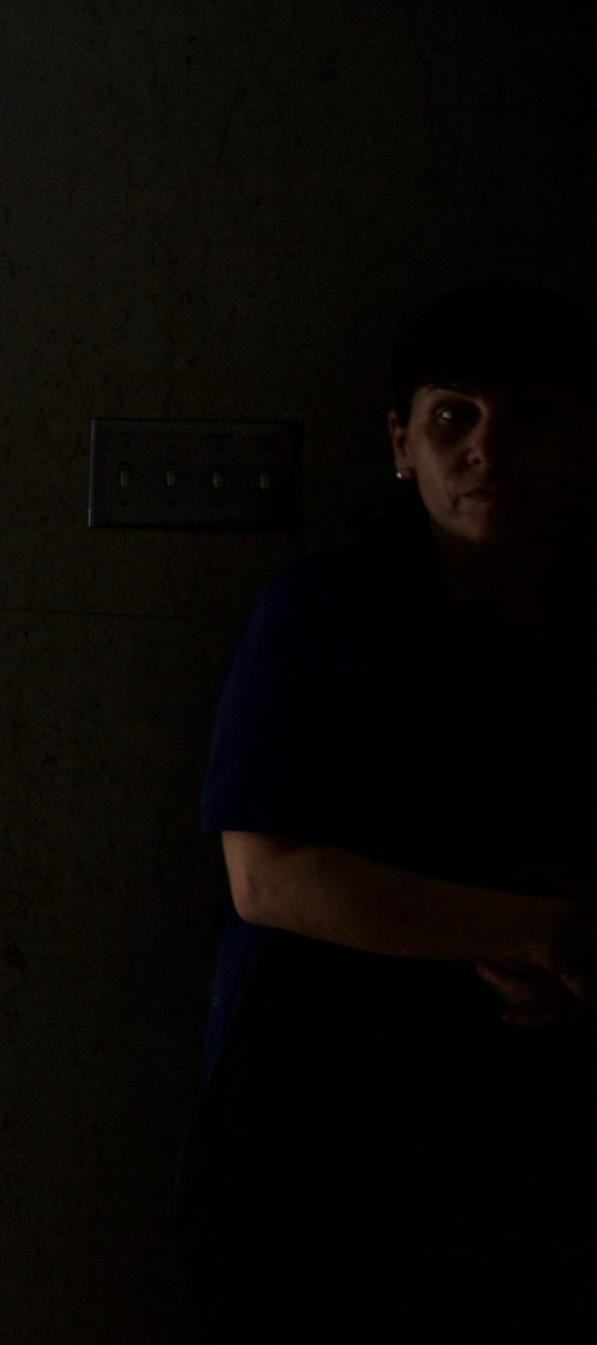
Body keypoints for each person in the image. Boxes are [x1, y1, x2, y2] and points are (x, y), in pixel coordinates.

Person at [179, 280, 597, 1340]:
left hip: (532, 1127)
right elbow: (265, 878)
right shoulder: (326, 615)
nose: (486, 449)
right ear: (400, 443)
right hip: (323, 1110)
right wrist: (537, 933)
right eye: (451, 416)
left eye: (531, 416)